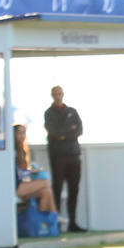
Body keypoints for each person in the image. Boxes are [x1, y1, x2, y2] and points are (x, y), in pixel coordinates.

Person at [43, 85, 84, 232]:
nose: (58, 96)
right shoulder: (49, 113)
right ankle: (56, 224)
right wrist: (68, 130)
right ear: (52, 95)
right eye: (55, 93)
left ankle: (73, 222)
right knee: (57, 188)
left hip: (73, 154)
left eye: (60, 93)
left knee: (74, 189)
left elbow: (79, 129)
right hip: (58, 155)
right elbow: (54, 132)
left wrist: (64, 134)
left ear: (63, 94)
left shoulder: (72, 112)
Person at [13, 123, 57, 214]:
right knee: (46, 182)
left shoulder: (21, 150)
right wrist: (30, 172)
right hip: (14, 187)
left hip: (22, 185)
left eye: (24, 133)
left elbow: (21, 172)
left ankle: (42, 224)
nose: (22, 136)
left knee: (46, 192)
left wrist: (31, 171)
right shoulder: (11, 151)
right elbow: (16, 174)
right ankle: (54, 218)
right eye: (19, 133)